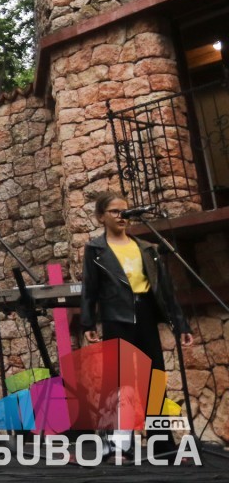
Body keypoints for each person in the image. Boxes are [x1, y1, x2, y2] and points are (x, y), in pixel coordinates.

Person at [80, 191, 193, 450]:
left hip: (145, 315)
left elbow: (165, 291)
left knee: (154, 378)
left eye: (125, 211)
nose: (122, 216)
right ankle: (116, 446)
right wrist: (88, 322)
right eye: (115, 211)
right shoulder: (95, 249)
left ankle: (161, 443)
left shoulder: (146, 248)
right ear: (101, 217)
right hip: (115, 317)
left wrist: (181, 324)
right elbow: (90, 287)